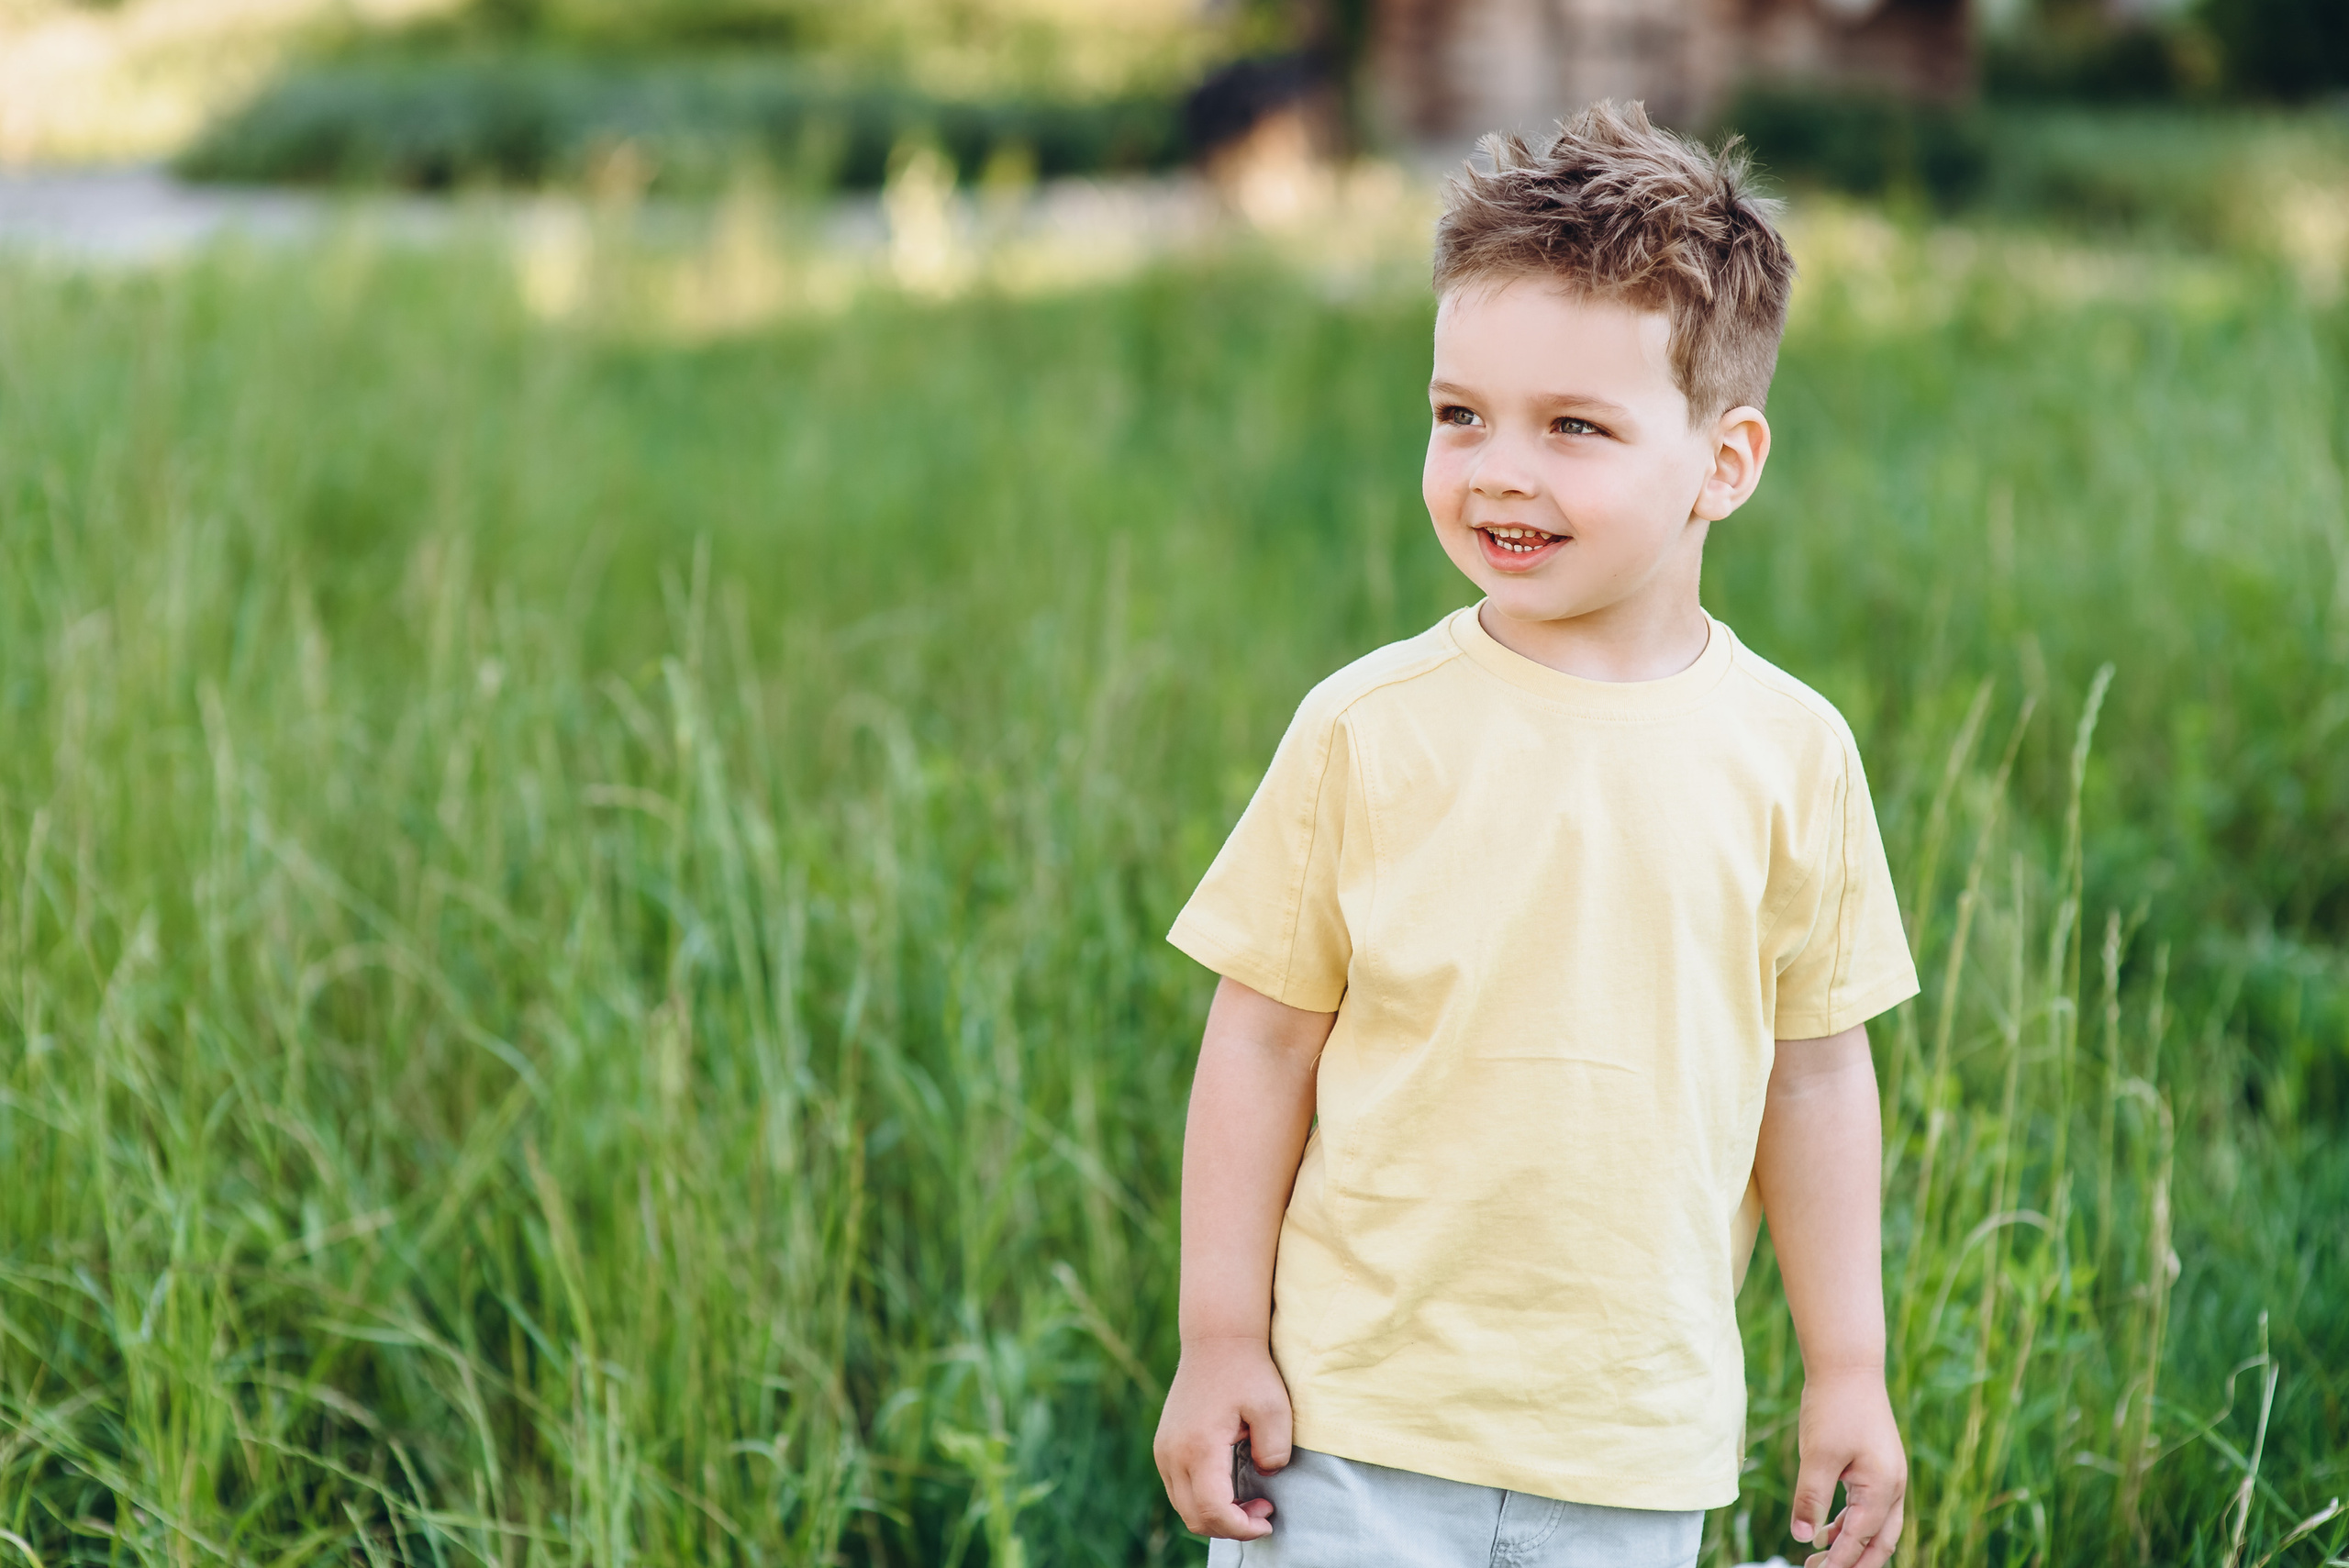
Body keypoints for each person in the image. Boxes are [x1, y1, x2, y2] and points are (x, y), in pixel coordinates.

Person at [1151, 101, 1919, 1568]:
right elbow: (1258, 1040)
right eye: (1461, 414)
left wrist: (1849, 1370)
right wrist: (1217, 1334)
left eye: (1575, 426)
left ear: (1724, 462)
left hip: (1630, 1443)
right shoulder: (1369, 728)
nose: (1501, 468)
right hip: (1350, 1425)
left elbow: (1815, 1078)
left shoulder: (1791, 754)